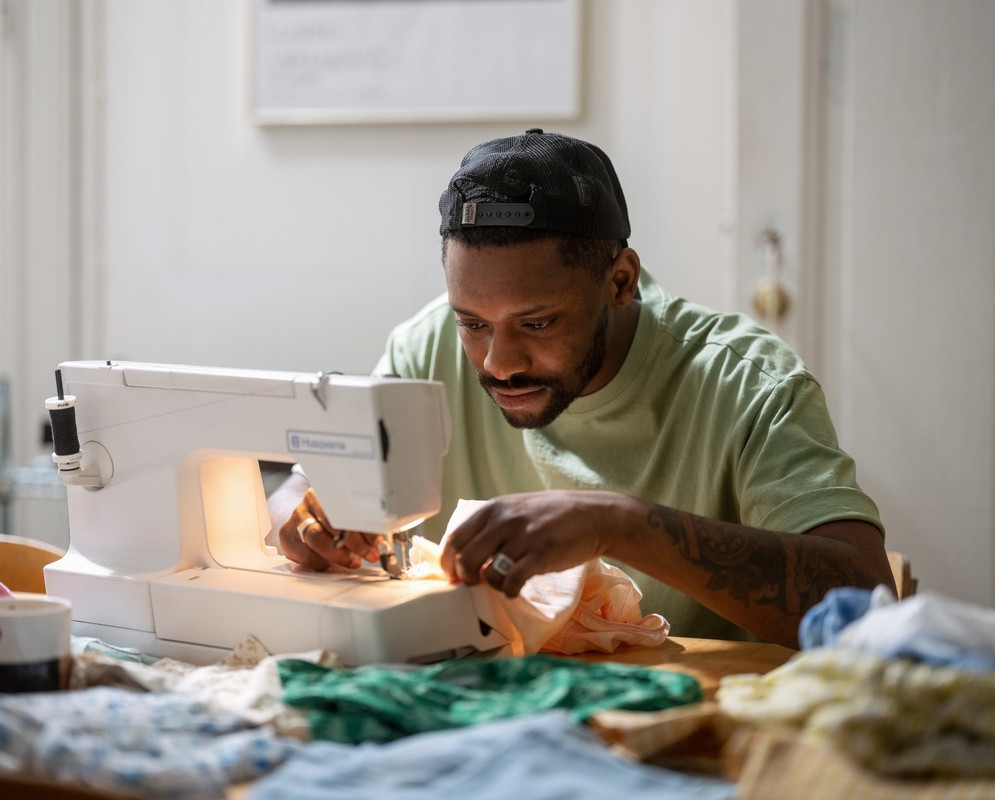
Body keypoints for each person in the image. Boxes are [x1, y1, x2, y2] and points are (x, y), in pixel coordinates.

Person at [270, 129, 894, 649]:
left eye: (537, 323)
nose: (499, 363)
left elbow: (867, 601)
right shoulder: (425, 348)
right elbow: (297, 491)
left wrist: (619, 525)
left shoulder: (747, 384)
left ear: (620, 281)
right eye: (473, 323)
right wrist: (306, 518)